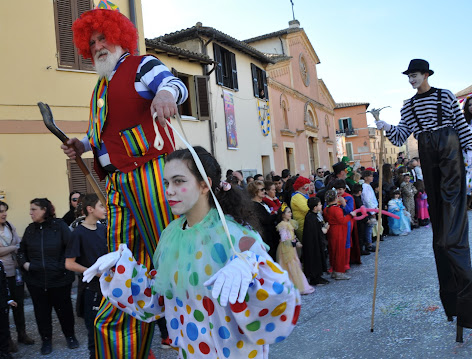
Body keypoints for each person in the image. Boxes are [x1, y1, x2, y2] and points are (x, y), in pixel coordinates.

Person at [83, 146, 300, 358]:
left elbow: (278, 301)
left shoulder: (236, 235)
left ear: (205, 185)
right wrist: (121, 270)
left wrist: (254, 272)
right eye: (167, 182)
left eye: (179, 181)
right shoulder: (171, 237)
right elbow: (158, 299)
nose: (169, 190)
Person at [62, 3, 188, 357]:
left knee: (172, 255)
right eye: (93, 41)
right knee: (124, 266)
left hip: (151, 173)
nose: (99, 45)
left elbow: (174, 84)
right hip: (116, 185)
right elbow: (99, 135)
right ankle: (121, 344)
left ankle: (201, 332)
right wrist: (81, 144)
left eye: (104, 37)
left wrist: (165, 94)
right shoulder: (100, 88)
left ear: (119, 38)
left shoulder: (140, 65)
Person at [376, 59, 472, 337]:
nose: (412, 79)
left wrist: (470, 149)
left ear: (426, 75)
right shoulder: (408, 105)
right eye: (409, 75)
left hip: (448, 145)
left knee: (452, 198)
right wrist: (385, 126)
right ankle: (446, 244)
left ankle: (453, 237)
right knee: (436, 202)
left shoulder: (444, 95)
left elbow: (459, 122)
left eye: (416, 75)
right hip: (427, 150)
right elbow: (400, 138)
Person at [17, 198, 78, 355]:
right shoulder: (30, 230)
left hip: (60, 279)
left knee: (64, 310)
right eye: (30, 209)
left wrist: (60, 266)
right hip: (36, 281)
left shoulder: (59, 226)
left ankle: (70, 336)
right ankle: (46, 341)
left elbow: (70, 248)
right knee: (41, 313)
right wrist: (25, 265)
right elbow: (21, 251)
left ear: (44, 210)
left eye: (34, 209)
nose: (30, 213)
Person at [0, 200, 34, 349]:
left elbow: (18, 242)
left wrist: (12, 247)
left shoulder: (9, 226)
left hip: (15, 271)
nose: (4, 214)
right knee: (4, 307)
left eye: (5, 211)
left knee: (19, 304)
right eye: (1, 211)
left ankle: (22, 333)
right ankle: (7, 339)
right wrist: (12, 248)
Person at [65, 194, 108, 359]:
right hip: (91, 290)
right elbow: (69, 264)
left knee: (107, 332)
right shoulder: (78, 234)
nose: (104, 210)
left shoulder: (103, 229)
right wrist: (93, 271)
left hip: (108, 288)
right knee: (94, 334)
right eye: (101, 206)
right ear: (90, 209)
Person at [275, 204, 314, 294]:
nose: (290, 213)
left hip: (290, 247)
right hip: (286, 247)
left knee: (294, 263)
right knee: (290, 264)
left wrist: (295, 241)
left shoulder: (289, 223)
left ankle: (299, 284)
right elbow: (284, 238)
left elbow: (292, 236)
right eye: (288, 212)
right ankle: (294, 285)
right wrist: (294, 243)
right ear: (283, 214)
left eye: (290, 212)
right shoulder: (283, 225)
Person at [323, 190, 356, 280]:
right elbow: (342, 220)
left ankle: (334, 270)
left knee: (333, 251)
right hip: (338, 231)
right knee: (339, 252)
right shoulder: (336, 209)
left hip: (331, 231)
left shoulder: (326, 209)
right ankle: (339, 272)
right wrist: (351, 215)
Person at [301, 197, 329, 285]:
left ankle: (318, 276)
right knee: (314, 259)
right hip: (313, 244)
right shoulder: (311, 218)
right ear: (315, 207)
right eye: (320, 204)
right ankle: (315, 278)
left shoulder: (312, 215)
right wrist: (324, 229)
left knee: (318, 258)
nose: (321, 206)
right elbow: (315, 232)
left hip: (315, 242)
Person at [248, 180, 278, 259]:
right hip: (265, 237)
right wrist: (276, 215)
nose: (264, 191)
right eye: (261, 190)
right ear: (255, 192)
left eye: (264, 189)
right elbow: (266, 220)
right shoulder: (255, 205)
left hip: (270, 235)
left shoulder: (262, 203)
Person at [290, 176, 312, 242]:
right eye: (307, 186)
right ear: (302, 187)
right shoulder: (297, 196)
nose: (308, 189)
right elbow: (306, 208)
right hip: (303, 226)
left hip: (307, 224)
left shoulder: (303, 195)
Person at [361, 170, 377, 252]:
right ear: (366, 177)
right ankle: (368, 244)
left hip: (372, 208)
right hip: (368, 209)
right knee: (368, 228)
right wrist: (372, 211)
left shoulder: (368, 186)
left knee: (370, 227)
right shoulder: (365, 187)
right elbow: (367, 200)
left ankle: (369, 242)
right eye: (370, 176)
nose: (372, 178)